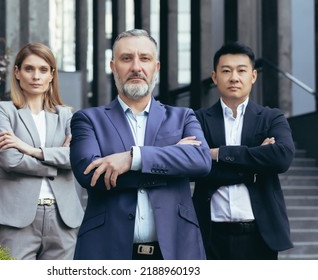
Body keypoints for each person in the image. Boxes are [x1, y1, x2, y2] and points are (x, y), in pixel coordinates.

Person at [70, 29, 212, 260]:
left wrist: (132, 158)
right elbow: (91, 175)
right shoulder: (87, 119)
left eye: (144, 58)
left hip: (176, 250)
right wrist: (173, 159)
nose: (136, 67)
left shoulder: (183, 117)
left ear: (156, 67)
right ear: (113, 66)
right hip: (106, 251)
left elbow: (201, 162)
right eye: (127, 59)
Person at [192, 42, 295, 260]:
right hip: (210, 236)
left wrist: (217, 154)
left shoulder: (271, 117)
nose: (234, 77)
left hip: (259, 236)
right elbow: (194, 166)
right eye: (226, 71)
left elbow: (282, 157)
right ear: (214, 76)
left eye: (241, 70)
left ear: (253, 76)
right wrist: (255, 164)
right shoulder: (198, 119)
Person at [0, 43, 84, 260]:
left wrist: (29, 150)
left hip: (63, 218)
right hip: (17, 218)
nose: (36, 76)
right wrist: (55, 164)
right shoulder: (3, 110)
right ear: (17, 72)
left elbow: (75, 158)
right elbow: (10, 160)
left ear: (52, 75)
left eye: (43, 69)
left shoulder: (66, 115)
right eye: (29, 69)